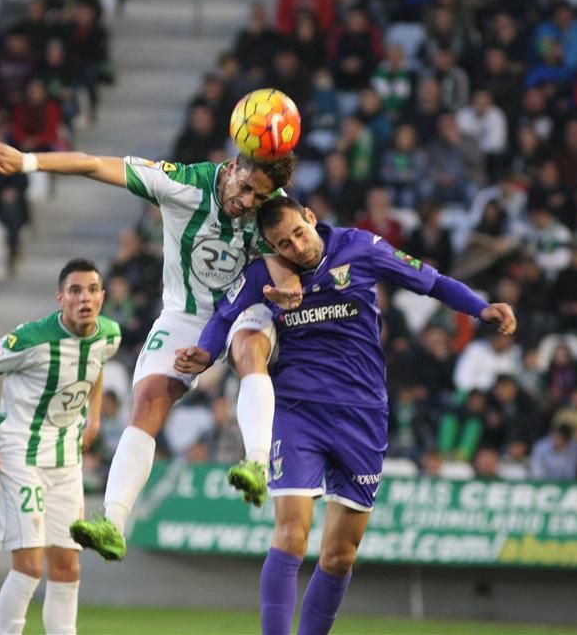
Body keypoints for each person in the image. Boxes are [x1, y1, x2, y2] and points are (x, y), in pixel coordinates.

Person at [174, 198, 516, 635]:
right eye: (283, 243)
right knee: (291, 534)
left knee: (340, 555)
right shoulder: (267, 273)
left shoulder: (362, 247)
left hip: (363, 415)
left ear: (312, 219)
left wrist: (479, 307)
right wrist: (203, 355)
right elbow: (223, 316)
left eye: (299, 233)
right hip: (298, 413)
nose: (296, 247)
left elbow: (430, 282)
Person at [0, 136, 301, 562]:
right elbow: (93, 161)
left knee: (247, 346)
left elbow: (299, 255)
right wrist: (29, 161)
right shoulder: (183, 185)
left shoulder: (276, 204)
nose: (249, 200)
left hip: (246, 307)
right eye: (246, 187)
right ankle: (112, 522)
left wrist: (291, 288)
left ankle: (256, 462)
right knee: (146, 400)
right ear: (234, 165)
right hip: (185, 315)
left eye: (259, 195)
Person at [0, 259, 121, 635]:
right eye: (75, 291)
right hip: (19, 454)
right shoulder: (33, 338)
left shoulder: (109, 335)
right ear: (60, 298)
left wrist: (94, 416)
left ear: (102, 296)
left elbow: (96, 366)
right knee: (30, 566)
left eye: (92, 290)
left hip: (66, 462)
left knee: (68, 567)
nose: (85, 298)